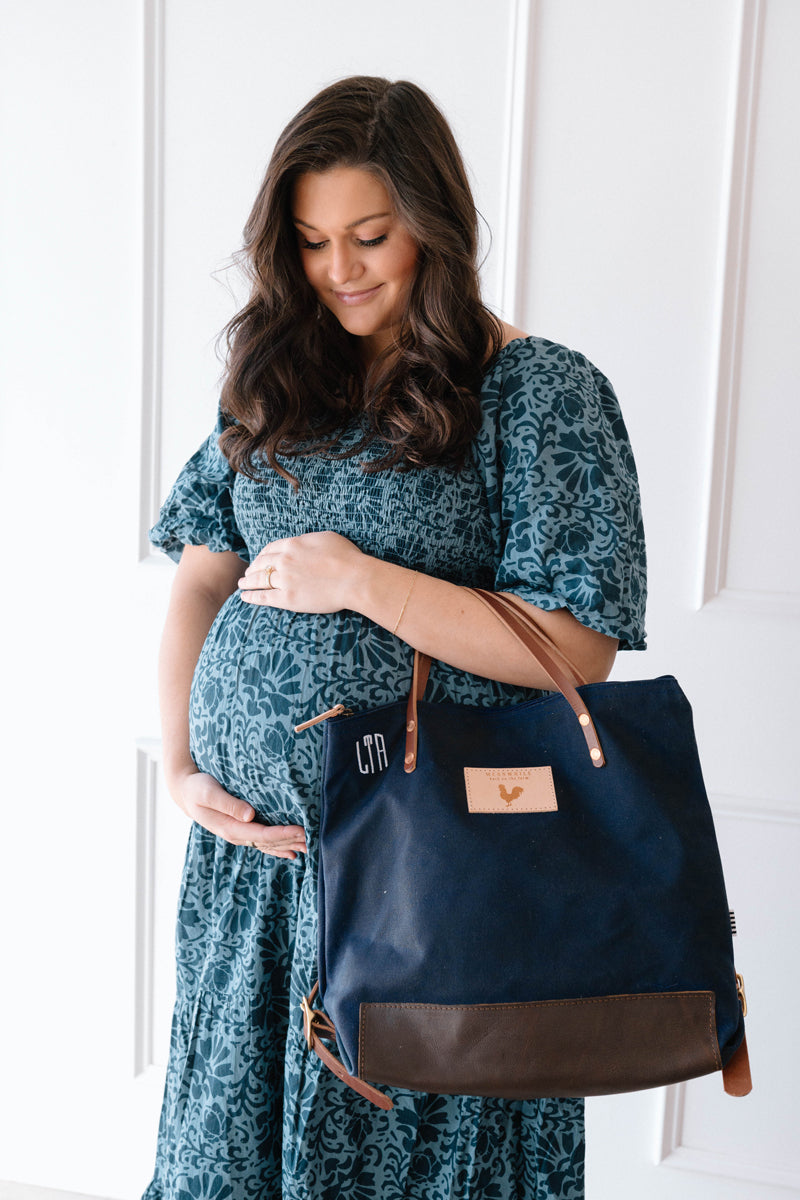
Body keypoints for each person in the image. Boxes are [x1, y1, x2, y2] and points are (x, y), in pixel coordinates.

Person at [143, 75, 646, 1200]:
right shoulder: (279, 378)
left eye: (370, 237)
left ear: (434, 222)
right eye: (312, 241)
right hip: (260, 879)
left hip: (434, 882)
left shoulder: (536, 393)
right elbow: (204, 576)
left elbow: (576, 645)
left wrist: (365, 583)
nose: (341, 270)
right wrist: (179, 767)